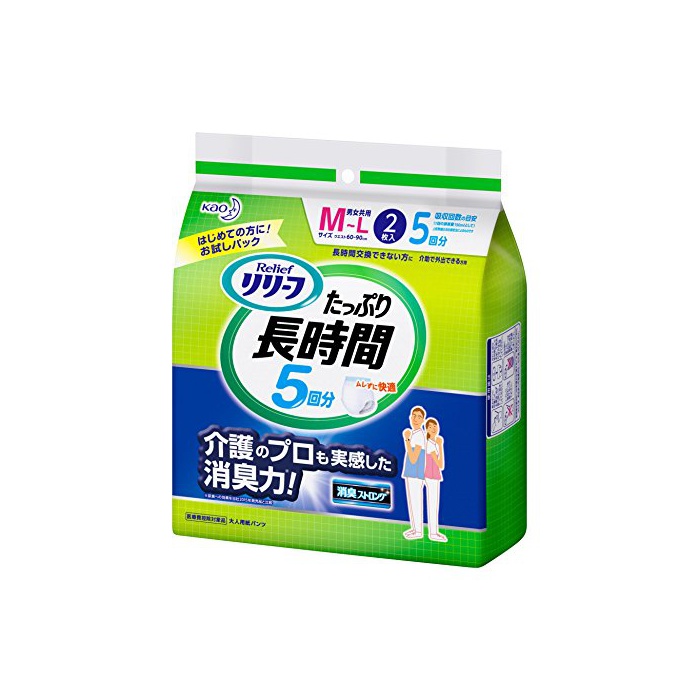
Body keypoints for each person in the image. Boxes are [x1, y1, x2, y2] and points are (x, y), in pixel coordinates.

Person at [402, 406, 426, 539]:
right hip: (412, 472)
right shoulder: (415, 433)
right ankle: (415, 528)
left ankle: (418, 532)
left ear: (423, 420)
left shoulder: (418, 436)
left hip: (415, 473)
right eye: (414, 416)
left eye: (419, 417)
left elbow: (413, 457)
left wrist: (406, 439)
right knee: (412, 500)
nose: (415, 419)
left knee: (416, 501)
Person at [424, 418, 447, 542]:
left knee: (433, 503)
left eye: (435, 426)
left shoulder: (431, 443)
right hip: (431, 475)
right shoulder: (430, 444)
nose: (433, 429)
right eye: (431, 427)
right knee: (433, 503)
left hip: (432, 474)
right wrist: (440, 445)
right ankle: (433, 533)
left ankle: (433, 531)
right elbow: (441, 464)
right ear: (427, 429)